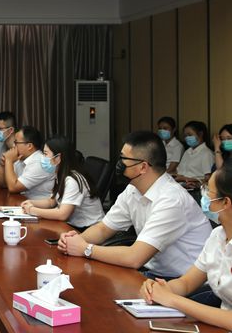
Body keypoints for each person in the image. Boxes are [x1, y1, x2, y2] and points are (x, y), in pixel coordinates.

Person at [58, 131, 212, 279]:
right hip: (155, 273)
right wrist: (73, 241)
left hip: (185, 282)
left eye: (123, 158)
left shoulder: (171, 200)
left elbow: (135, 257)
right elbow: (103, 229)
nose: (119, 163)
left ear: (143, 167)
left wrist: (86, 249)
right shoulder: (133, 189)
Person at [139, 162, 232, 331]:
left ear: (225, 202)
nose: (204, 197)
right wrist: (162, 289)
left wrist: (173, 300)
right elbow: (187, 282)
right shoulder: (217, 235)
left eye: (208, 192)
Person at [20, 136, 104, 229]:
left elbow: (63, 214)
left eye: (45, 154)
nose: (42, 158)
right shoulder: (59, 174)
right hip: (73, 226)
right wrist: (31, 202)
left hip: (90, 229)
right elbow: (51, 202)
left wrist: (32, 210)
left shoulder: (73, 180)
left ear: (58, 158)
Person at [0, 126, 55, 199]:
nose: (13, 146)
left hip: (39, 205)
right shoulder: (19, 159)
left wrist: (9, 161)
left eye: (16, 142)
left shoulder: (40, 163)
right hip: (23, 201)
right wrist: (3, 165)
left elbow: (13, 188)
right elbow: (2, 184)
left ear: (29, 146)